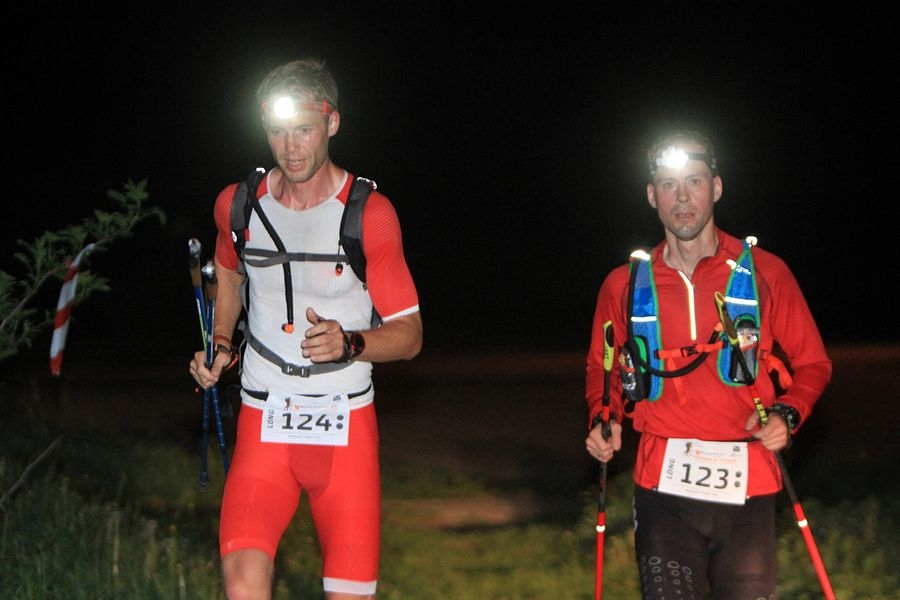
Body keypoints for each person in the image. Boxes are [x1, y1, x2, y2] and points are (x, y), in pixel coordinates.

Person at [189, 58, 423, 600]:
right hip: (263, 419)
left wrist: (351, 343)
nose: (290, 147)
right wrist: (221, 344)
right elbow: (228, 271)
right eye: (276, 130)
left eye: (303, 129)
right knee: (242, 588)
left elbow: (410, 336)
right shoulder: (238, 205)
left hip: (344, 426)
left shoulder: (371, 214)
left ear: (332, 124)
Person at [584, 129, 831, 599]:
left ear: (716, 188)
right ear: (652, 196)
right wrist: (605, 416)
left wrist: (788, 413)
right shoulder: (623, 283)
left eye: (694, 182)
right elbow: (604, 365)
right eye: (669, 185)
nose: (683, 198)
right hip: (662, 487)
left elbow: (814, 363)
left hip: (750, 485)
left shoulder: (766, 273)